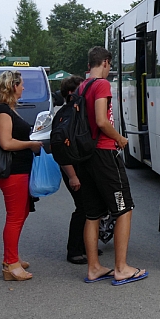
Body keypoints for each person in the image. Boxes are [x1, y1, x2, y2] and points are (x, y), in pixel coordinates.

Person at [76, 46, 147, 286]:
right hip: (105, 153)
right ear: (105, 62)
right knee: (124, 209)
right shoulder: (101, 85)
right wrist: (119, 138)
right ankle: (121, 268)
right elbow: (101, 120)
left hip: (86, 156)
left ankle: (94, 267)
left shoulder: (81, 86)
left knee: (93, 213)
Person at [0, 70, 43, 281]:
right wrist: (31, 144)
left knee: (21, 213)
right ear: (13, 86)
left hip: (20, 169)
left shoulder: (9, 110)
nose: (24, 88)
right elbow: (6, 143)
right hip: (13, 171)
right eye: (21, 84)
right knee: (15, 216)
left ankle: (11, 257)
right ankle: (10, 265)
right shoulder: (3, 111)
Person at [58, 75, 104, 265]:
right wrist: (72, 176)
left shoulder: (76, 112)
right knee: (83, 208)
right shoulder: (65, 116)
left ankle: (85, 246)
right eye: (80, 89)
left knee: (90, 207)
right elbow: (60, 149)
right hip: (73, 168)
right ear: (71, 93)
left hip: (81, 166)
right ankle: (74, 250)